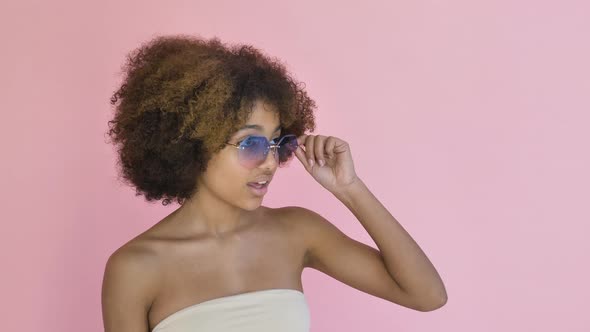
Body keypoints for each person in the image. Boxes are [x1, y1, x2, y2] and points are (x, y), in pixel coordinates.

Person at [101, 34, 447, 332]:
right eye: (251, 144)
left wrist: (350, 189)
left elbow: (426, 295)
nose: (269, 162)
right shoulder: (135, 267)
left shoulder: (297, 231)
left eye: (276, 143)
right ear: (192, 144)